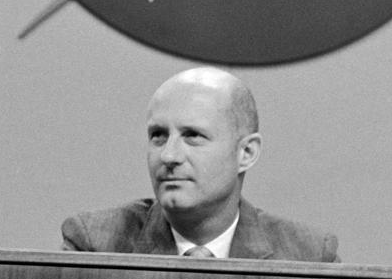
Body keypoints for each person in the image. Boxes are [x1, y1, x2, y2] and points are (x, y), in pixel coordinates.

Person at [61, 67, 338, 261]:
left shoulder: (309, 257)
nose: (169, 156)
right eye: (158, 136)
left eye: (193, 136)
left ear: (247, 153)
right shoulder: (95, 246)